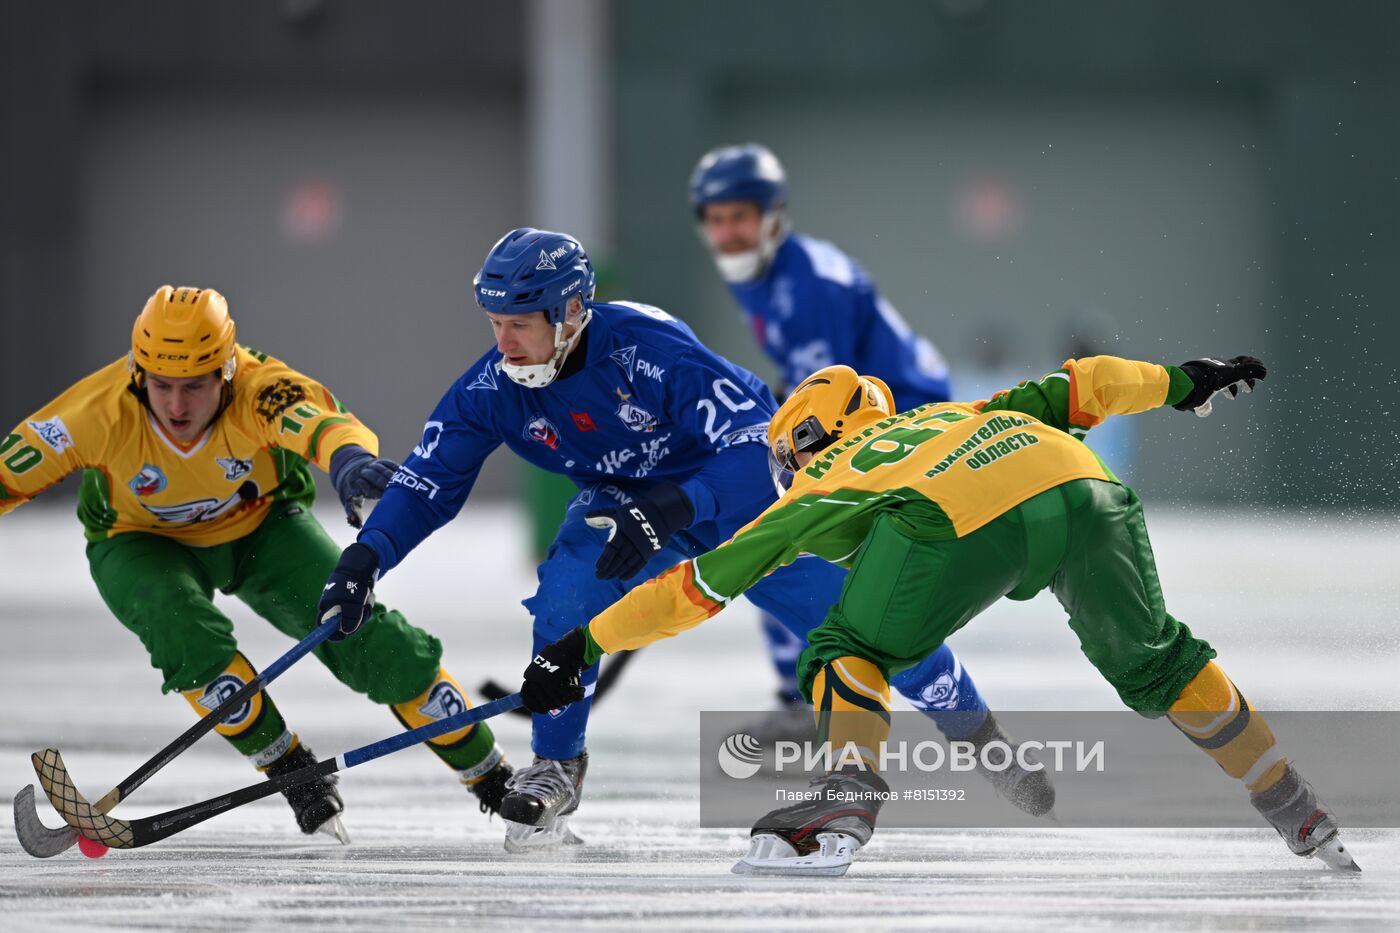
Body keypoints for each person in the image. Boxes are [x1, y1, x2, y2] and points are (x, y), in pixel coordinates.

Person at [316, 228, 1047, 853]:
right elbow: (427, 481)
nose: (503, 342)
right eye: (494, 322)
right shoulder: (491, 388)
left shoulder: (646, 347)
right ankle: (555, 769)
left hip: (742, 490)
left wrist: (676, 505)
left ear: (571, 312)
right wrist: (364, 558)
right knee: (569, 595)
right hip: (626, 501)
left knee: (869, 623)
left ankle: (981, 737)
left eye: (521, 322)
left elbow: (755, 442)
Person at [520, 353, 1361, 875]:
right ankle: (1292, 803)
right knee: (1161, 663)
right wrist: (1183, 381)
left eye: (785, 452)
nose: (783, 467)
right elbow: (1091, 380)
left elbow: (695, 587)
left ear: (807, 438)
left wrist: (582, 639)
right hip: (1083, 487)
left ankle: (847, 794)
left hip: (949, 521)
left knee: (844, 646)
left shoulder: (822, 479)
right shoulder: (958, 413)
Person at [0, 285, 511, 842]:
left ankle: (494, 779)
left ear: (226, 372)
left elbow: (320, 423)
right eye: (161, 386)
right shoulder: (95, 412)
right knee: (182, 633)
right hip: (138, 542)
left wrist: (347, 464)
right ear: (135, 372)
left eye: (194, 387)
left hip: (262, 529)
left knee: (371, 643)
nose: (175, 407)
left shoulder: (258, 390)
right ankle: (293, 774)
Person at [691, 143, 956, 734]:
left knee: (783, 539)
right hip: (872, 407)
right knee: (781, 543)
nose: (728, 232)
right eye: (715, 219)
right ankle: (811, 693)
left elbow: (831, 400)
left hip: (899, 416)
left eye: (740, 216)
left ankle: (822, 699)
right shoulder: (759, 273)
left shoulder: (806, 286)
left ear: (772, 215)